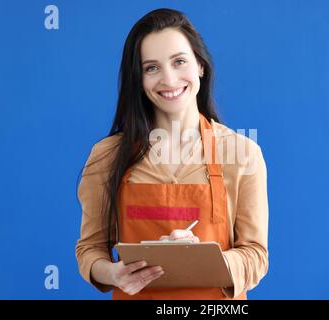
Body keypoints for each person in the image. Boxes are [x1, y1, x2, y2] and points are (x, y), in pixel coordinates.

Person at [75, 8, 269, 300]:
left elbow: (256, 256)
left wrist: (199, 259)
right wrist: (113, 273)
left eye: (179, 61)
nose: (168, 79)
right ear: (138, 79)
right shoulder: (107, 156)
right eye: (151, 68)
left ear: (200, 65)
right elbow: (90, 250)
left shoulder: (242, 154)